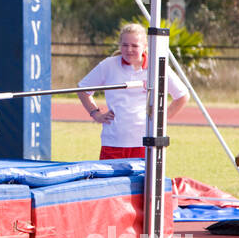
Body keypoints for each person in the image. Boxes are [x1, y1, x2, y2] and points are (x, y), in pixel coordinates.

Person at [77, 22, 188, 160]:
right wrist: (96, 114)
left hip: (146, 142)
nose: (129, 49)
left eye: (134, 46)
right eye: (125, 45)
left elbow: (182, 95)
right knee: (111, 182)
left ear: (145, 47)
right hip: (113, 142)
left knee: (144, 182)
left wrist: (163, 117)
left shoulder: (158, 67)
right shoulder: (108, 64)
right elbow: (82, 90)